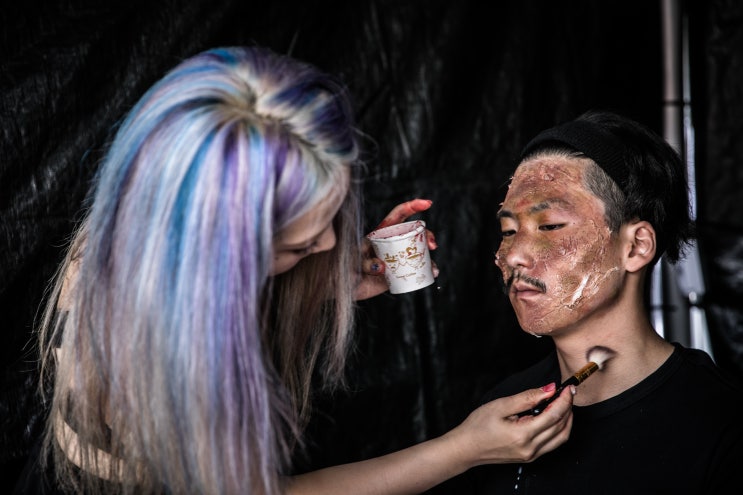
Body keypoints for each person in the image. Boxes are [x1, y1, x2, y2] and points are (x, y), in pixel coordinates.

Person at [19, 46, 575, 495]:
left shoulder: (135, 236)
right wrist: (463, 449)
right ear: (218, 248)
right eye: (296, 243)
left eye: (330, 216)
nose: (330, 242)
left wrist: (323, 279)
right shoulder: (150, 348)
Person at [455, 110, 743, 494]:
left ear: (636, 246)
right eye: (508, 230)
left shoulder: (721, 426)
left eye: (550, 226)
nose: (514, 256)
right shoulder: (500, 417)